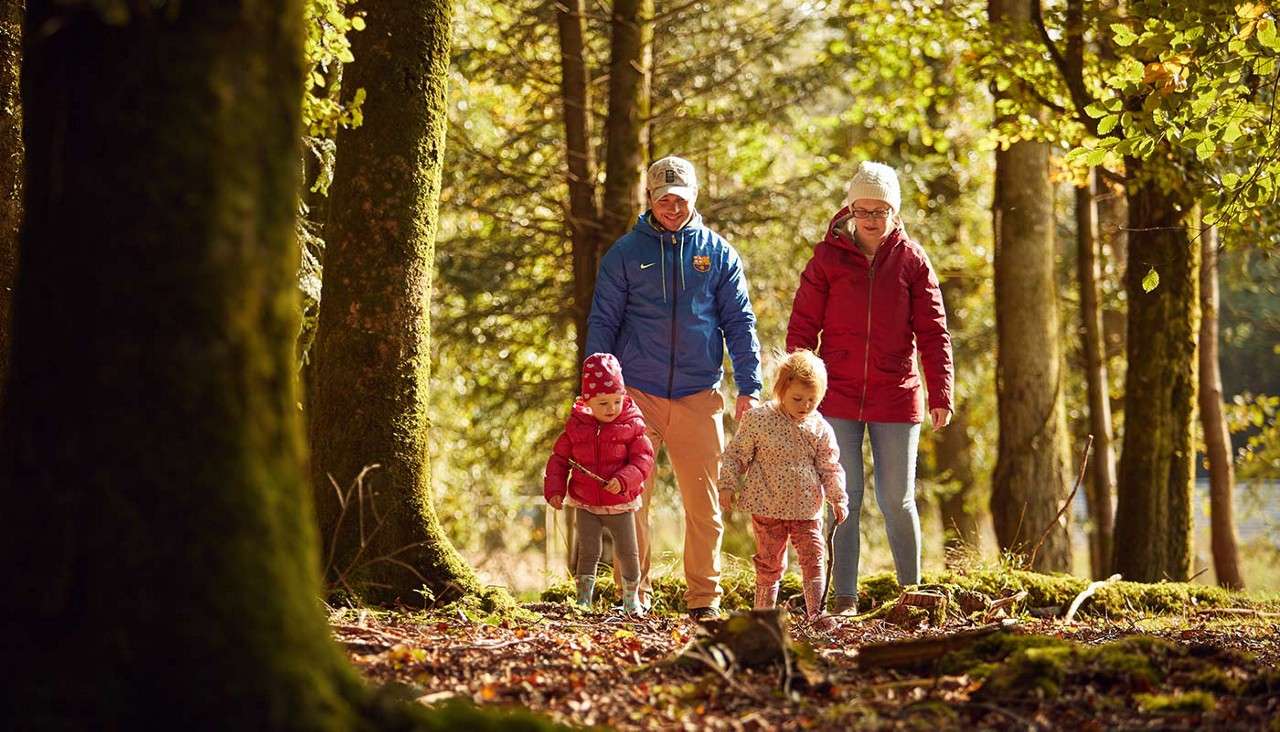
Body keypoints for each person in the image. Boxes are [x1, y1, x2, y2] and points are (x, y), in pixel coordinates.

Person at [585, 155, 763, 620]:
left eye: (680, 198)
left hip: (698, 393)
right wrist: (594, 387)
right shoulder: (625, 253)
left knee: (705, 505)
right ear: (650, 198)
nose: (672, 206)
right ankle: (635, 593)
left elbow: (739, 322)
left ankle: (704, 597)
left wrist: (750, 385)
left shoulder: (718, 253)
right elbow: (603, 320)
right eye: (664, 198)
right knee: (630, 499)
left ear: (694, 198)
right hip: (636, 394)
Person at [785, 160, 954, 615]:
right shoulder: (826, 259)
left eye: (881, 210)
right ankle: (843, 598)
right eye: (864, 209)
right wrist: (796, 391)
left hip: (896, 396)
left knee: (896, 500)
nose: (872, 219)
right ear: (849, 210)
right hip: (835, 397)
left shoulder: (912, 260)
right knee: (845, 498)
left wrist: (941, 394)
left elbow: (934, 332)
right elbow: (802, 328)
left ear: (895, 213)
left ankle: (912, 595)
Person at [719, 350, 848, 622]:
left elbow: (830, 465)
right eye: (798, 398)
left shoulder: (820, 427)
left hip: (806, 507)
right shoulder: (758, 420)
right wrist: (727, 485)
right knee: (768, 562)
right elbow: (736, 454)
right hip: (767, 505)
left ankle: (817, 613)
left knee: (813, 558)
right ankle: (763, 618)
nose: (804, 405)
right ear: (781, 390)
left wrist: (838, 498)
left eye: (812, 400)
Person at [544, 353, 656, 615]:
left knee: (628, 552)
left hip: (620, 503)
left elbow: (644, 459)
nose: (611, 408)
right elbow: (559, 460)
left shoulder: (631, 425)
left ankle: (631, 600)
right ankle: (584, 600)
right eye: (603, 402)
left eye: (617, 401)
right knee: (588, 552)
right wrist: (555, 490)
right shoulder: (576, 427)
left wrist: (623, 480)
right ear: (587, 402)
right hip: (585, 502)